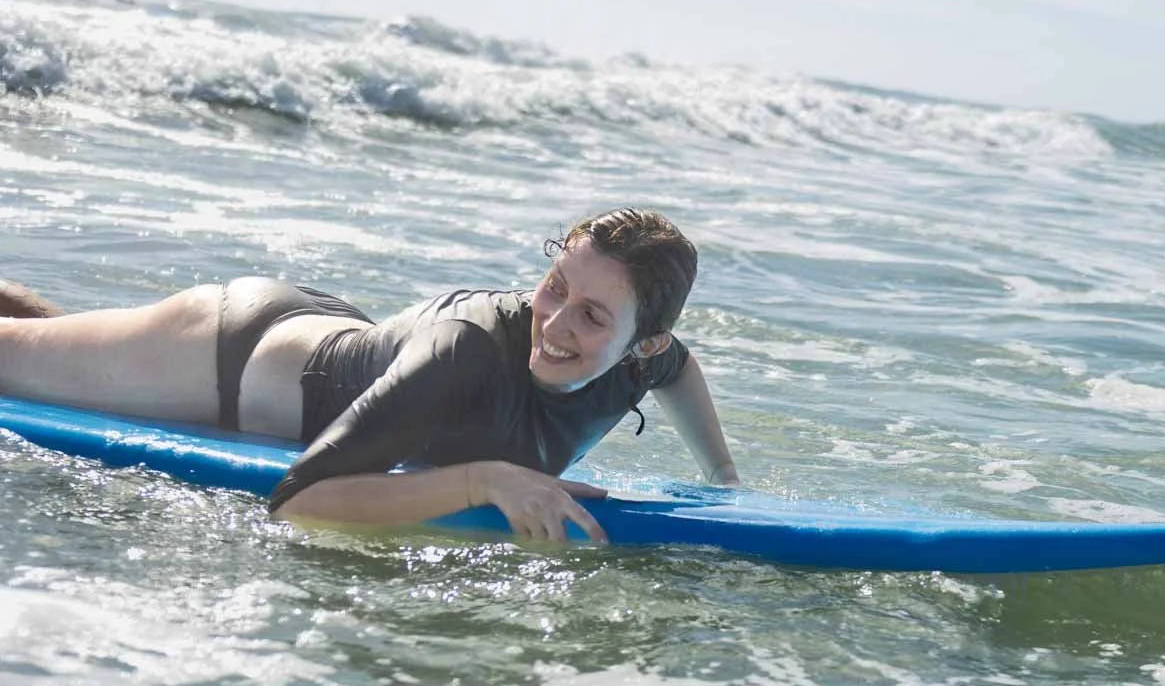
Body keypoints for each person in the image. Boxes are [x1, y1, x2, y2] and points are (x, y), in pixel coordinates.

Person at [0, 208, 737, 542]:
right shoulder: (465, 350)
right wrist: (487, 480)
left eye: (592, 316)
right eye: (554, 286)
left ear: (644, 341)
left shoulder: (646, 360)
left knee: (48, 342)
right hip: (228, 357)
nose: (556, 323)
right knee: (13, 359)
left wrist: (723, 478)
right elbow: (299, 499)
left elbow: (681, 372)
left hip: (340, 339)